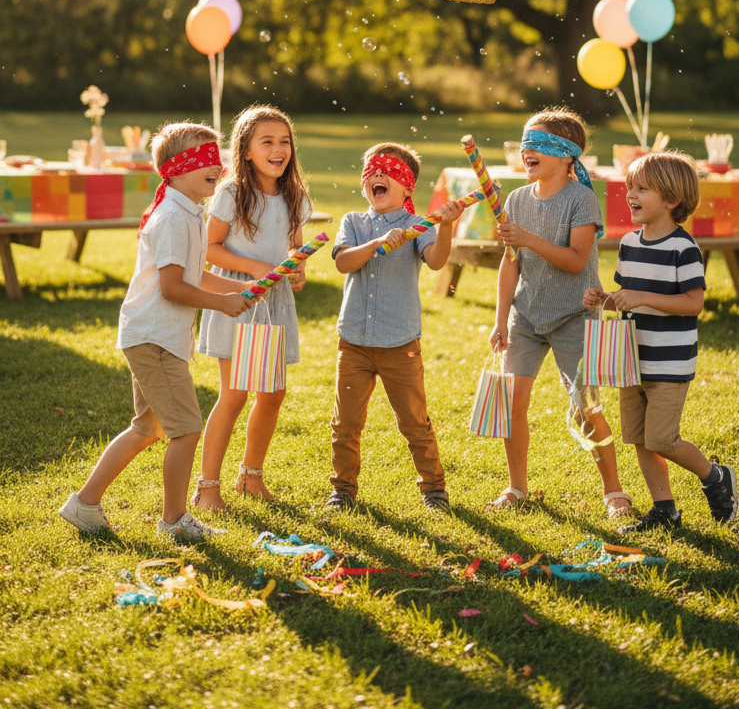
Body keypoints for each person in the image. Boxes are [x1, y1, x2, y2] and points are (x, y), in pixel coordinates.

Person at [58, 122, 253, 541]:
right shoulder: (172, 217)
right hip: (154, 337)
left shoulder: (188, 211)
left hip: (154, 335)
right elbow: (172, 287)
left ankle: (84, 504)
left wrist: (238, 287)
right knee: (186, 429)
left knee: (147, 429)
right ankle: (174, 521)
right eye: (203, 158)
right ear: (175, 167)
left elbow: (194, 273)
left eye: (216, 157)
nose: (215, 165)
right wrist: (222, 303)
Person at [488, 106, 633, 519]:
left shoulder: (581, 199)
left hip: (574, 314)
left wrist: (528, 238)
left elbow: (574, 260)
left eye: (537, 145)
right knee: (513, 403)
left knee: (586, 406)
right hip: (526, 317)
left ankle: (613, 492)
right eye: (524, 143)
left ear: (566, 154)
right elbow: (510, 262)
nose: (526, 150)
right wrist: (501, 319)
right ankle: (517, 486)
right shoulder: (516, 199)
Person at [584, 150, 738, 531]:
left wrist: (642, 298)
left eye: (642, 189)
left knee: (662, 440)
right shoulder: (628, 244)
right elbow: (629, 296)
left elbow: (693, 303)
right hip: (631, 359)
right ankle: (664, 509)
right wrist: (604, 299)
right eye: (629, 187)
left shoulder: (683, 249)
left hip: (669, 363)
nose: (630, 194)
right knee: (639, 438)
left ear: (671, 200)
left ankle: (715, 476)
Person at [327, 142, 464, 512]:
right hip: (353, 341)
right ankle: (342, 490)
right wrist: (376, 243)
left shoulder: (417, 226)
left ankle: (434, 489)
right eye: (372, 170)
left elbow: (436, 261)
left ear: (407, 189)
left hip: (399, 343)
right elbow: (343, 263)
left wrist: (447, 225)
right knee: (346, 424)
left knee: (414, 422)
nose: (378, 175)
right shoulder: (353, 223)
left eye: (389, 171)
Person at [193, 106, 312, 510]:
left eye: (284, 141)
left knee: (274, 393)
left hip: (275, 300)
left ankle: (250, 476)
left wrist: (297, 272)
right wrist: (256, 268)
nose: (278, 149)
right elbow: (208, 249)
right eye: (267, 142)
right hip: (238, 298)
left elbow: (294, 250)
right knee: (234, 394)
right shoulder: (231, 193)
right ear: (245, 151)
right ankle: (208, 487)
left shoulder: (295, 195)